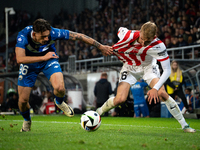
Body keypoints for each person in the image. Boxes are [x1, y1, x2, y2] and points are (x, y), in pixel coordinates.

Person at [15, 18, 112, 132]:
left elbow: (78, 36)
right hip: (29, 64)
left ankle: (59, 102)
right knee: (22, 101)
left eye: (48, 36)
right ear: (34, 34)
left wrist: (100, 47)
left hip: (49, 60)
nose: (47, 39)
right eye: (43, 37)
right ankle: (27, 120)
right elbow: (20, 59)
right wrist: (43, 57)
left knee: (60, 88)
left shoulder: (53, 33)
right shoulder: (23, 36)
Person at [96, 21, 196, 133]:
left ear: (154, 37)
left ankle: (185, 125)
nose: (143, 43)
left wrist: (155, 88)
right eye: (142, 39)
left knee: (162, 93)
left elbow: (167, 70)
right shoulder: (127, 34)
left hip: (148, 67)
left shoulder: (159, 46)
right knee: (120, 99)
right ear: (140, 32)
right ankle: (98, 112)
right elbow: (120, 29)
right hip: (129, 67)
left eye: (147, 41)